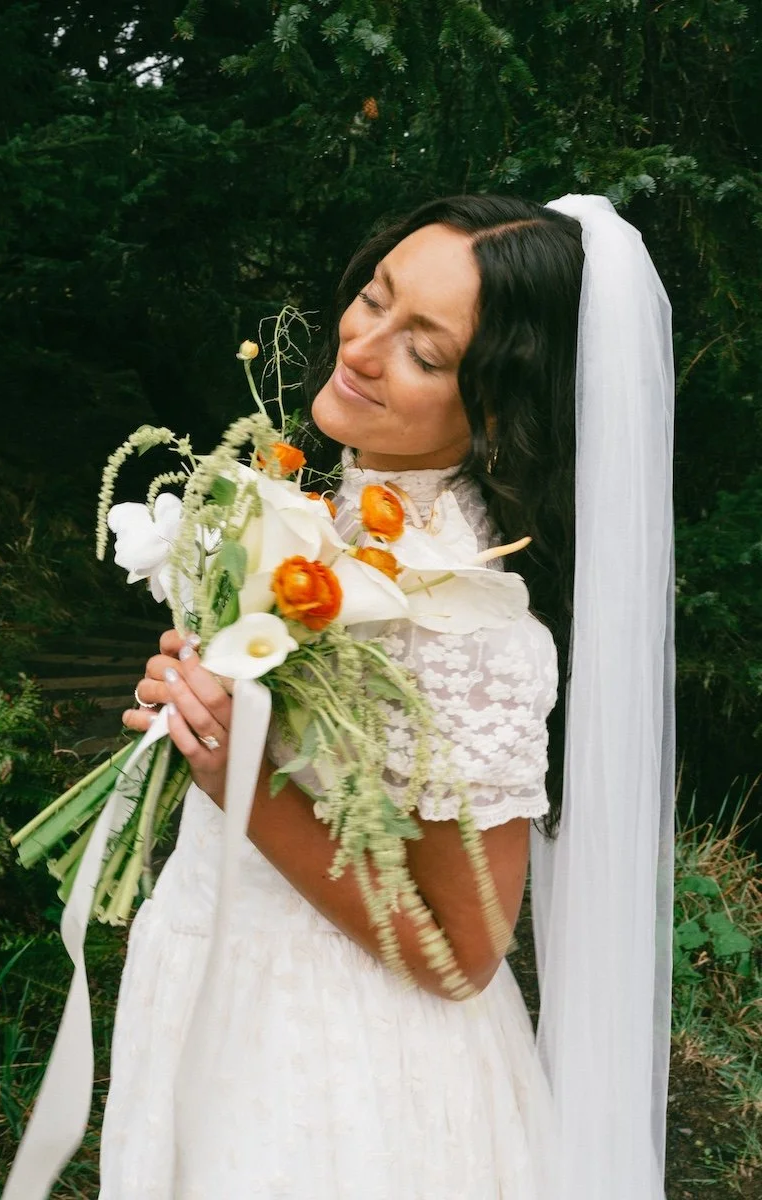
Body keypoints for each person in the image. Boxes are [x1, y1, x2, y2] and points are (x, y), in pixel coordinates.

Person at [98, 194, 675, 1199]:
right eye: (373, 297)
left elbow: (463, 954)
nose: (361, 345)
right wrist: (196, 701)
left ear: (496, 407)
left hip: (338, 1076)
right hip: (211, 994)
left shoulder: (472, 622)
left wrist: (237, 776)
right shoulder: (317, 519)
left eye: (424, 352)